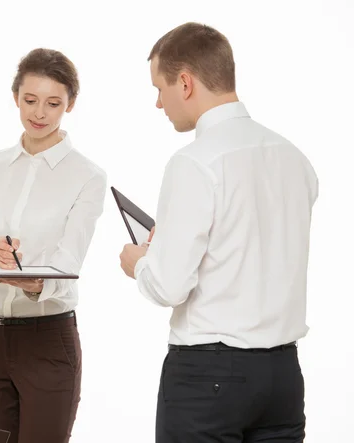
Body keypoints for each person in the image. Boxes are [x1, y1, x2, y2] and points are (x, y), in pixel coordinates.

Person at [119, 22, 318, 442]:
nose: (158, 103)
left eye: (160, 88)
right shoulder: (293, 157)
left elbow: (168, 287)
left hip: (208, 378)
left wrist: (140, 264)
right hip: (283, 376)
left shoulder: (194, 162)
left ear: (185, 83)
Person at [0, 48, 107, 443]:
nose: (39, 113)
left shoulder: (87, 176)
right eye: (30, 100)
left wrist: (34, 284)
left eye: (53, 103)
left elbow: (69, 260)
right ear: (15, 97)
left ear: (70, 104)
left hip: (47, 339)